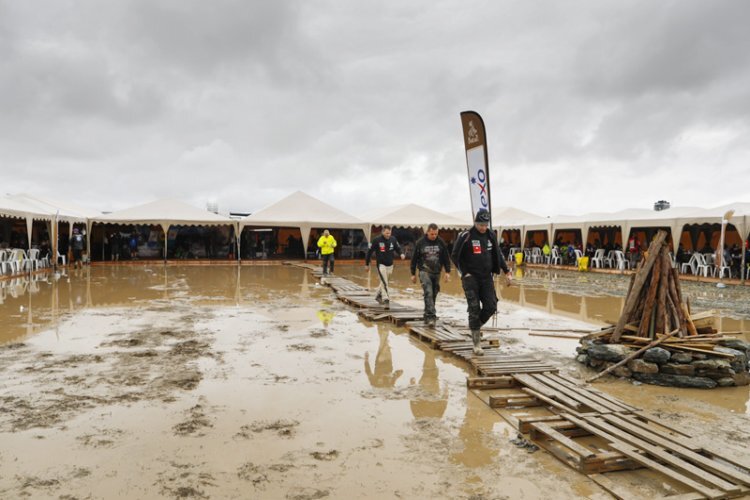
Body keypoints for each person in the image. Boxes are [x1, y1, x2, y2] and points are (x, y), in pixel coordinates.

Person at [451, 209, 512, 356]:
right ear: (475, 222)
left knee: (491, 306)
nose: (483, 228)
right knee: (474, 308)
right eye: (480, 225)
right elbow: (454, 256)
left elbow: (498, 254)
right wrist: (465, 272)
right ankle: (476, 344)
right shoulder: (466, 236)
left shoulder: (491, 235)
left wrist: (507, 271)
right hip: (470, 278)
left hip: (486, 277)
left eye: (485, 225)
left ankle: (475, 327)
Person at [410, 223, 451, 327]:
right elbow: (414, 258)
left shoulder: (441, 242)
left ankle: (426, 314)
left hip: (436, 271)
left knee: (433, 294)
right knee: (428, 292)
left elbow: (446, 257)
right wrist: (413, 273)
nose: (434, 236)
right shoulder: (420, 242)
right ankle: (431, 317)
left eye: (436, 234)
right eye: (432, 234)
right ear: (427, 232)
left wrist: (447, 272)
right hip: (424, 271)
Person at [365, 225, 405, 308]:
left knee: (385, 282)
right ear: (383, 232)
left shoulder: (393, 239)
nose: (388, 235)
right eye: (386, 233)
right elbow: (369, 252)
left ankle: (378, 296)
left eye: (389, 233)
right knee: (384, 282)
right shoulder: (376, 240)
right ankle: (386, 299)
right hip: (381, 264)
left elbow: (398, 248)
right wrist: (367, 264)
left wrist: (401, 254)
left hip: (390, 265)